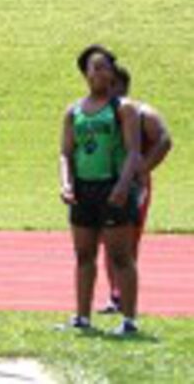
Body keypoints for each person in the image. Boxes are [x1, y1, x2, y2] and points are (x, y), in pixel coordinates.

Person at [59, 45, 141, 335]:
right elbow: (66, 153)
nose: (101, 72)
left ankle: (129, 320)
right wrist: (66, 183)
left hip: (112, 186)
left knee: (120, 256)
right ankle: (82, 317)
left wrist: (122, 185)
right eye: (95, 67)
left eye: (106, 67)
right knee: (84, 255)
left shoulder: (123, 108)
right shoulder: (73, 111)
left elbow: (134, 152)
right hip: (83, 188)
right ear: (85, 73)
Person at [99, 64, 172, 314]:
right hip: (103, 182)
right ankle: (114, 295)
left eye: (108, 84)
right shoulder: (100, 112)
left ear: (120, 86)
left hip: (132, 186)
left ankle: (124, 296)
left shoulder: (142, 113)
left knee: (127, 241)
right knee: (106, 240)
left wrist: (143, 168)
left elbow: (164, 139)